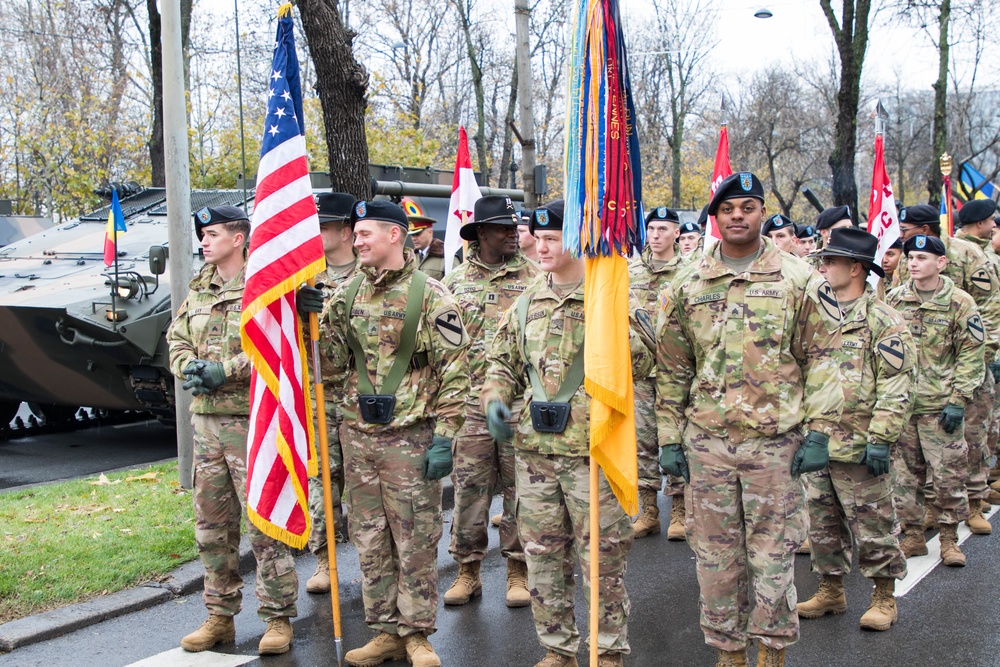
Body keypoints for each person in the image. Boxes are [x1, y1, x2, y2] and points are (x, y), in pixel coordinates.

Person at [655, 172, 843, 667]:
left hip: (774, 447)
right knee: (716, 560)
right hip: (707, 445)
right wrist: (670, 438)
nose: (737, 216)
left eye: (748, 207)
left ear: (762, 212)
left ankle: (772, 650)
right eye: (728, 209)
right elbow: (673, 367)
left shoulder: (800, 279)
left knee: (774, 556)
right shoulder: (688, 284)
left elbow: (823, 357)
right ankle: (728, 651)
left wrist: (821, 430)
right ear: (714, 218)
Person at [481, 200, 650, 667]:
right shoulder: (526, 302)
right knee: (542, 559)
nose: (539, 246)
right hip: (536, 455)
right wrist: (494, 399)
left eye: (552, 238)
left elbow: (648, 360)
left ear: (577, 239)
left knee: (603, 561)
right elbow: (502, 362)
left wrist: (619, 325)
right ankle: (558, 651)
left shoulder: (611, 296)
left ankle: (608, 652)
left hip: (591, 452)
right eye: (536, 238)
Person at [301, 200, 470, 667]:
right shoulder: (347, 295)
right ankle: (383, 630)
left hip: (410, 439)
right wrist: (307, 321)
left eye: (365, 234)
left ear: (394, 235)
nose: (356, 242)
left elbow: (457, 369)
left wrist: (446, 436)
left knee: (414, 538)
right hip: (359, 439)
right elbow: (327, 365)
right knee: (371, 539)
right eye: (354, 235)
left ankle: (417, 634)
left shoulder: (432, 295)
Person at [167, 205, 298, 656]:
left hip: (251, 424)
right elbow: (176, 338)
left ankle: (278, 618)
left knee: (264, 525)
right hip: (205, 425)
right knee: (212, 528)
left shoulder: (261, 286)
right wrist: (191, 367)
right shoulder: (200, 287)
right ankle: (219, 617)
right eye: (203, 234)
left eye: (214, 233)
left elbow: (277, 341)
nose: (204, 240)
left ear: (239, 239)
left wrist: (226, 369)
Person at [796, 228, 911, 632]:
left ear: (857, 268)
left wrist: (881, 438)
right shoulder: (813, 314)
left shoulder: (883, 319)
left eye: (831, 261)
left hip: (860, 444)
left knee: (874, 525)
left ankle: (883, 595)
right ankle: (831, 589)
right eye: (822, 260)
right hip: (818, 442)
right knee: (822, 522)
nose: (822, 266)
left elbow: (896, 384)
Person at [441, 195, 540, 608]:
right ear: (480, 233)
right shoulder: (452, 284)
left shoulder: (535, 279)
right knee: (469, 491)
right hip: (469, 408)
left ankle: (518, 570)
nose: (512, 235)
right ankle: (468, 571)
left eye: (515, 228)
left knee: (519, 491)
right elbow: (440, 350)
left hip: (519, 405)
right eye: (502, 228)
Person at [896, 203, 1000, 533]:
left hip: (970, 361)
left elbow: (990, 309)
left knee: (971, 437)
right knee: (927, 450)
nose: (903, 240)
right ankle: (931, 508)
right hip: (928, 370)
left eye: (907, 231)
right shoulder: (907, 261)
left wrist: (988, 356)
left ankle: (972, 503)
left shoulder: (967, 254)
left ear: (925, 230)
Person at [886, 235, 985, 565]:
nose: (913, 262)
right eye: (911, 257)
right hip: (902, 406)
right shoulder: (896, 299)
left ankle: (948, 538)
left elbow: (971, 354)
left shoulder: (960, 302)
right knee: (903, 478)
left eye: (922, 258)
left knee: (947, 476)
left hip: (940, 407)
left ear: (940, 263)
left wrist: (959, 399)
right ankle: (913, 535)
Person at [304, 192, 358, 594]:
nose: (315, 233)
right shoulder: (305, 279)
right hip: (318, 394)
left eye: (323, 226)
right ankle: (324, 560)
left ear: (345, 231)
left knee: (362, 483)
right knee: (321, 480)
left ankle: (371, 558)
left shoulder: (371, 276)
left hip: (362, 396)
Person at [629, 206, 688, 540]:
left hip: (676, 369)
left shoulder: (691, 270)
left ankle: (678, 508)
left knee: (676, 437)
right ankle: (648, 509)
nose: (655, 235)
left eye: (663, 229)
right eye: (651, 229)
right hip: (641, 371)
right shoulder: (631, 269)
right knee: (643, 440)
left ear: (677, 233)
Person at [957, 199, 1000, 501]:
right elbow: (988, 309)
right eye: (992, 221)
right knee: (975, 423)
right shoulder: (970, 253)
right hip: (970, 352)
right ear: (981, 222)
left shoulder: (983, 251)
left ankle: (981, 484)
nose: (994, 226)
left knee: (982, 422)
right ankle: (971, 491)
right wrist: (990, 351)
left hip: (976, 350)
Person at [408, 213, 445, 280]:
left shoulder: (445, 256)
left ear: (430, 232)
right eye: (412, 235)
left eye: (417, 234)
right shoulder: (410, 258)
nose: (414, 238)